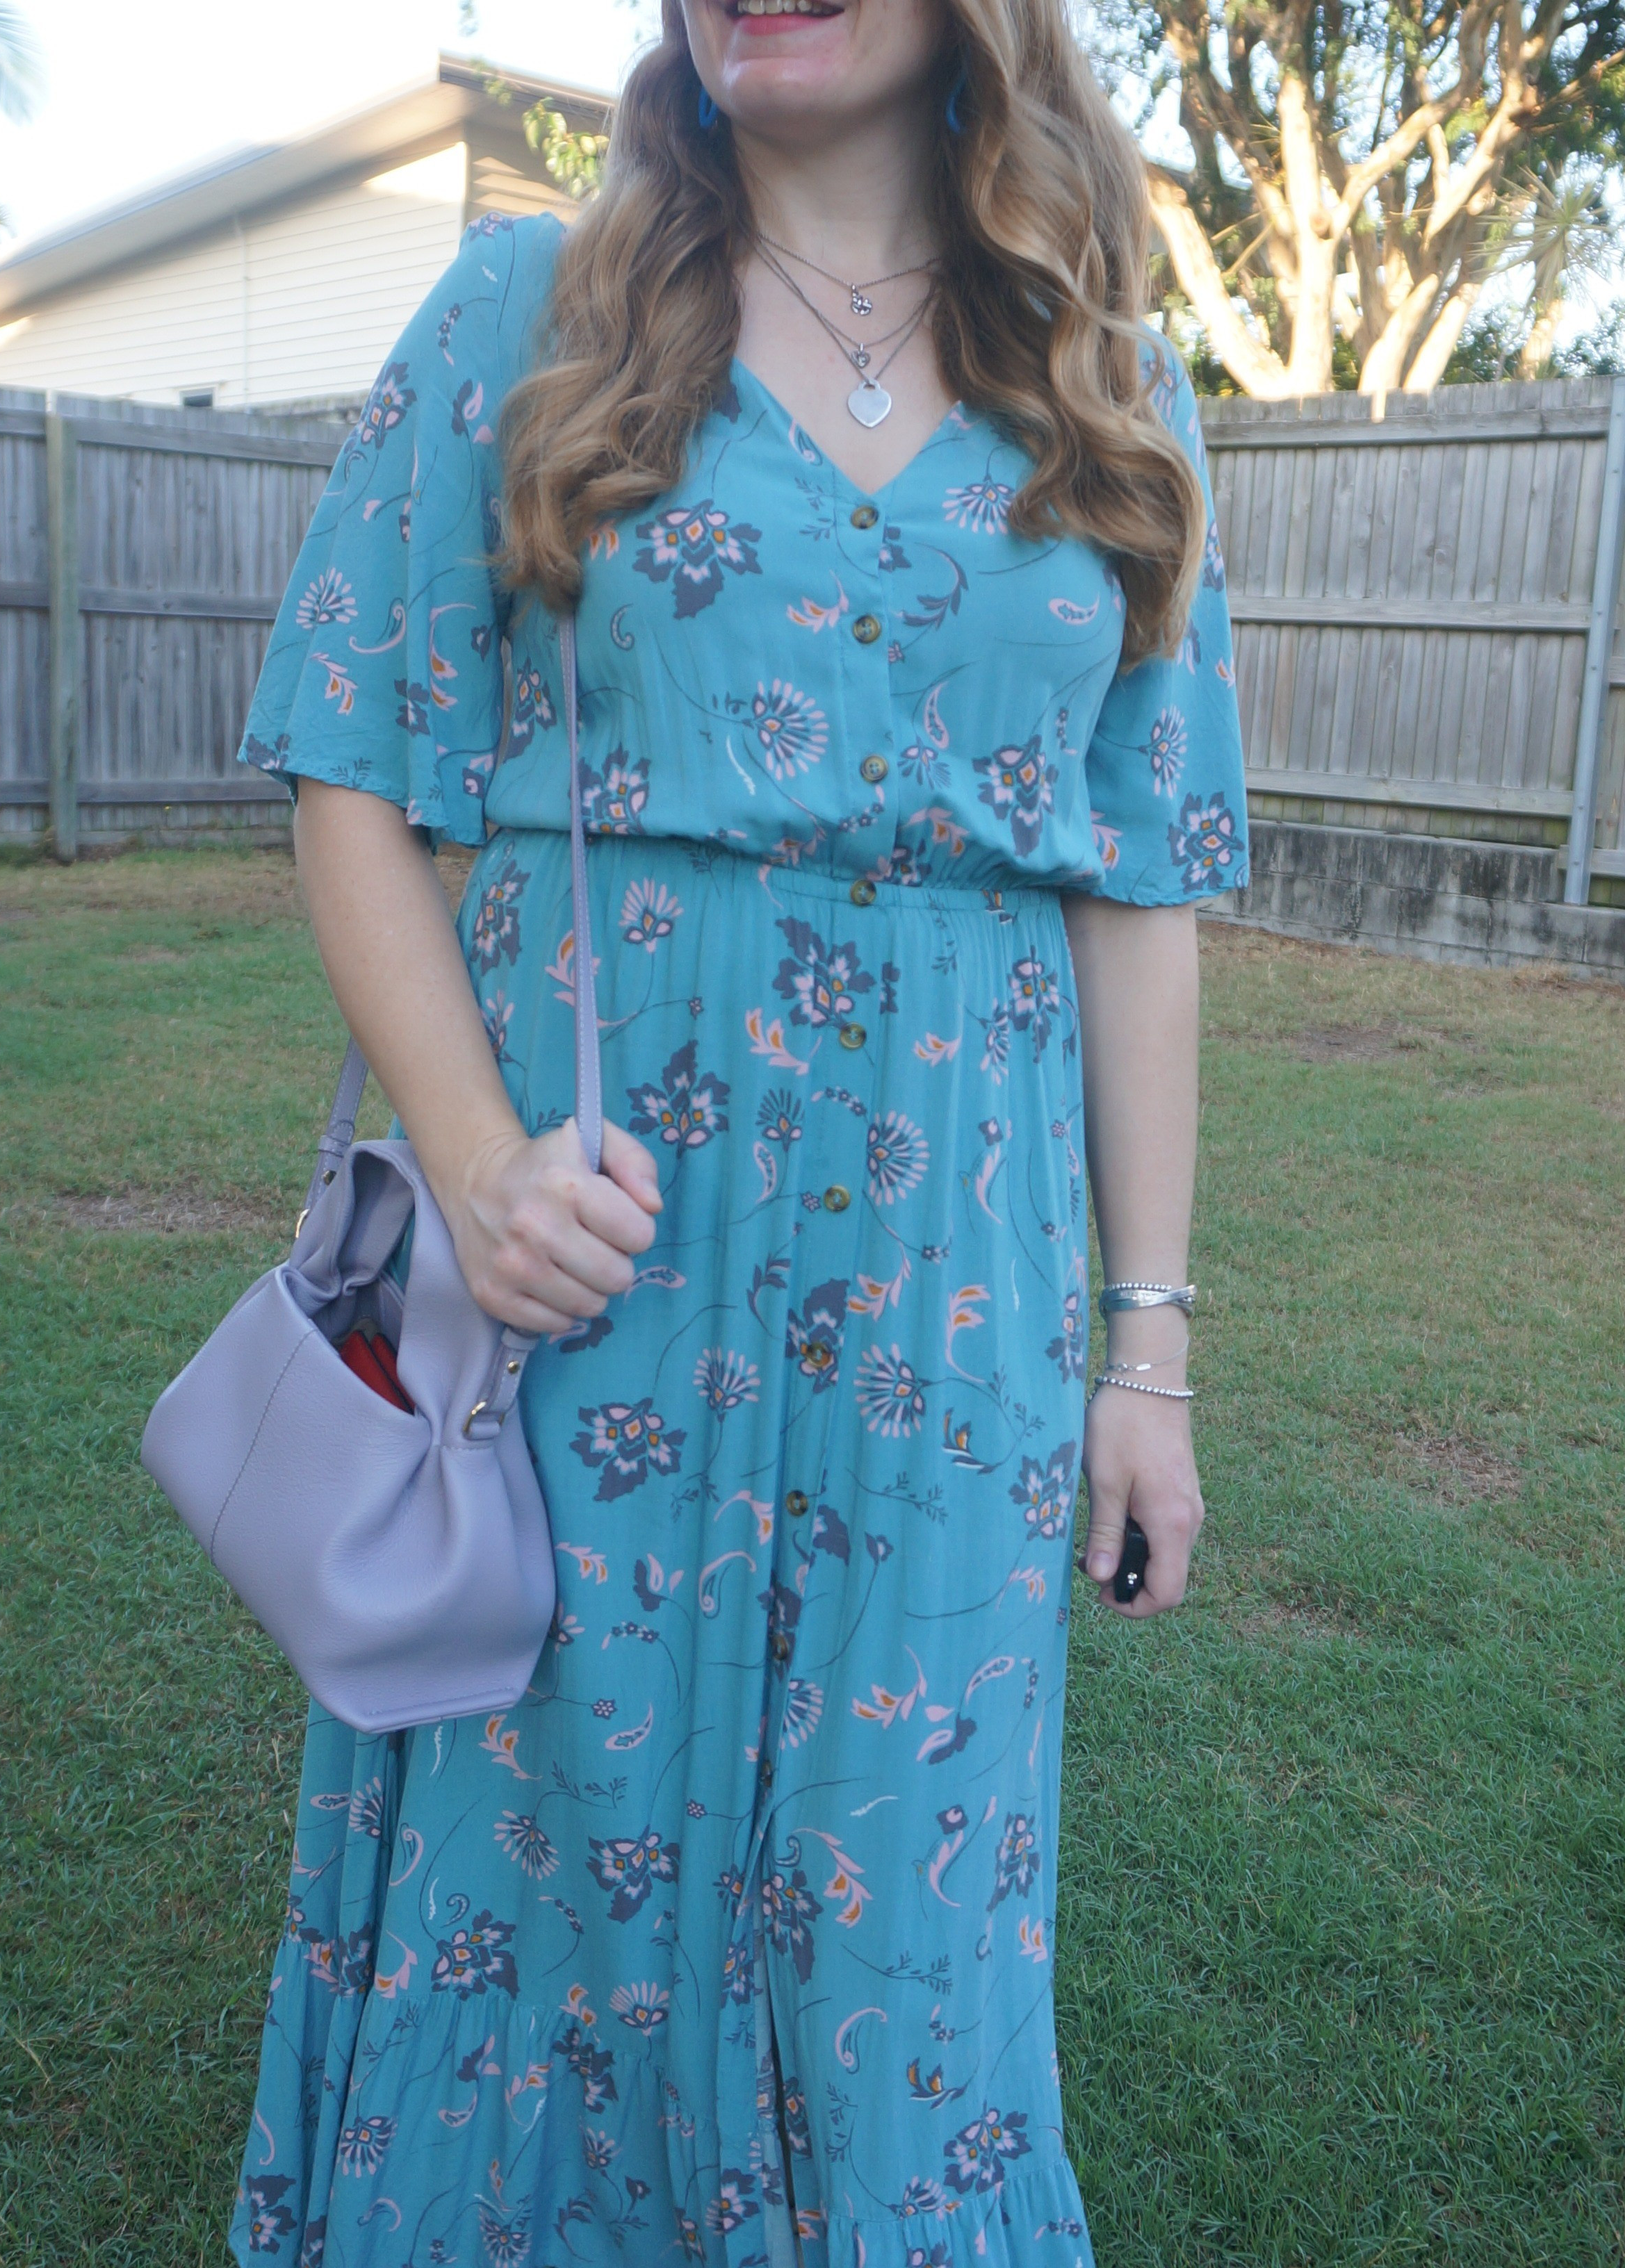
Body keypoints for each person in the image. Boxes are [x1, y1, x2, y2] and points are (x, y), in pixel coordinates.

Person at [225, 0, 1245, 2258]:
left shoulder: (1095, 372)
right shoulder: (534, 311)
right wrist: (477, 1163)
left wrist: (1144, 1353)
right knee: (555, 1868)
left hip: (950, 1322)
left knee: (908, 1918)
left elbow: (1141, 870)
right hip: (591, 1293)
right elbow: (351, 760)